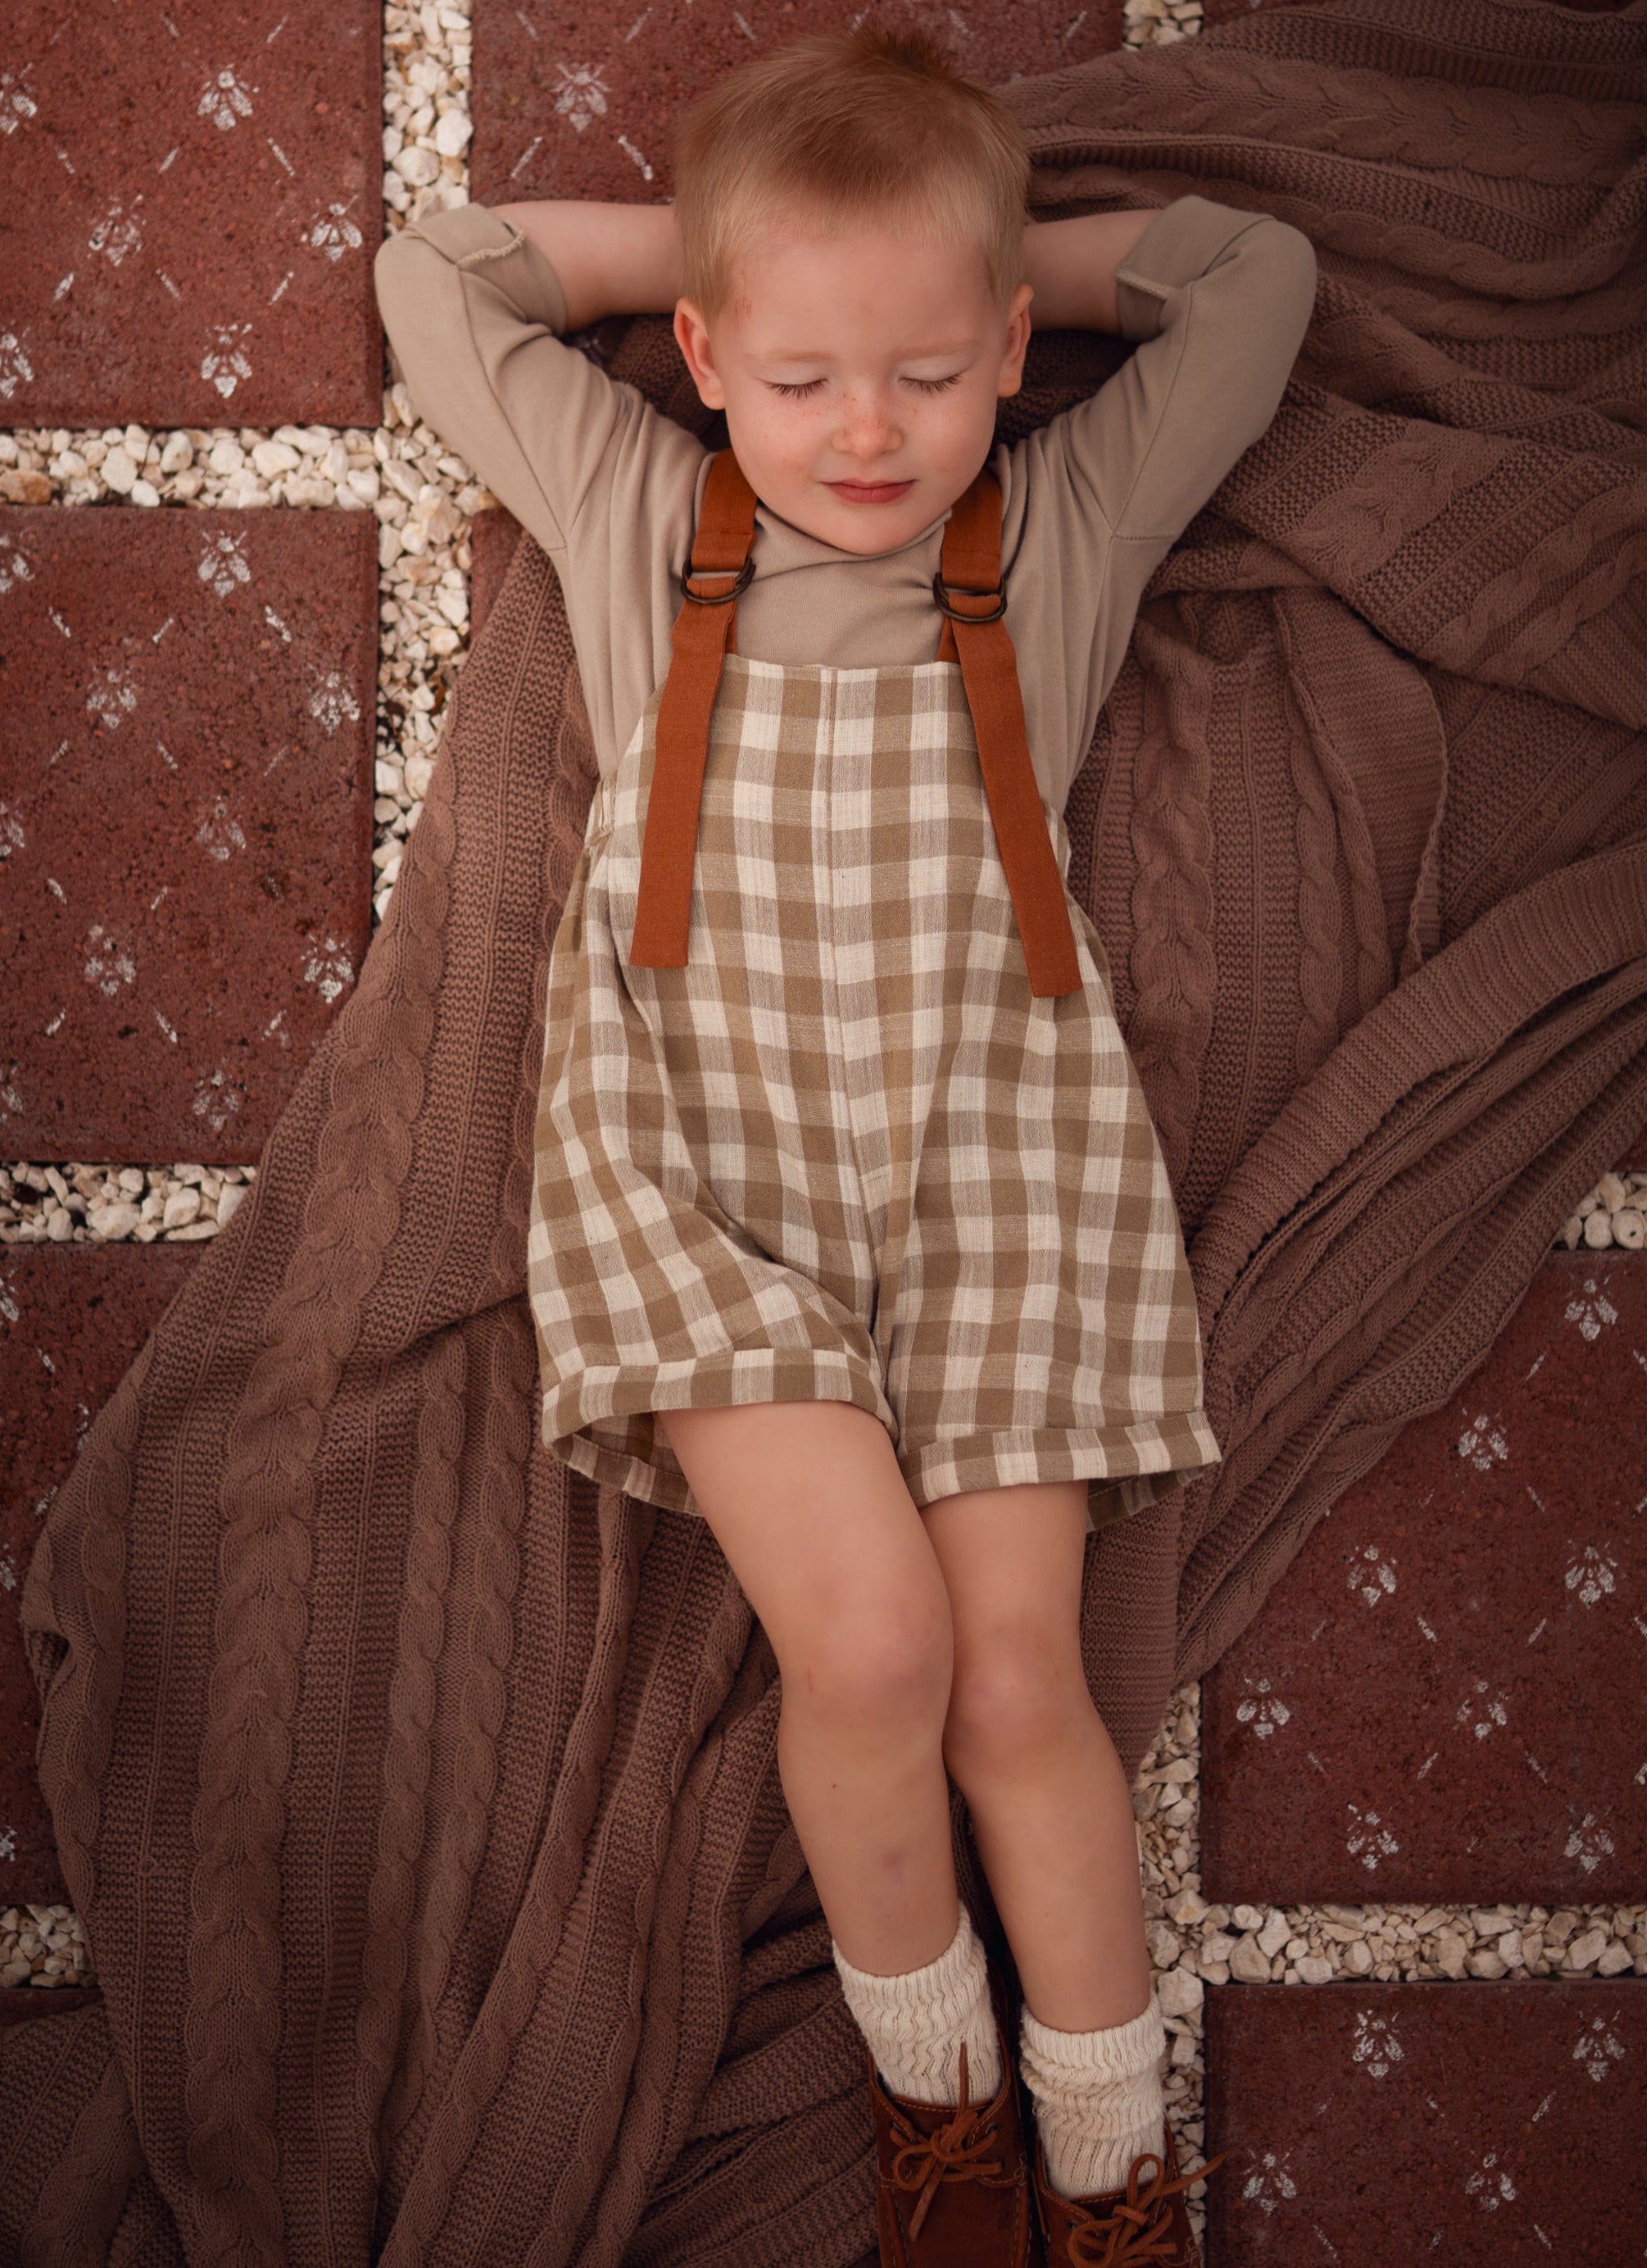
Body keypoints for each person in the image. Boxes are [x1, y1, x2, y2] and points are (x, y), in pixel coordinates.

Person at [373, 25, 1314, 2263]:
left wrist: (996, 265)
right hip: (703, 1182)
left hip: (1000, 1187)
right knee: (871, 1653)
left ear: (1007, 352)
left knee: (1019, 1689)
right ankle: (938, 2109)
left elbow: (1250, 275)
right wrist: (726, 246)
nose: (865, 432)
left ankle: (1110, 2171)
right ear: (696, 358)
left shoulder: (1049, 532)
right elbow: (441, 273)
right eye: (795, 375)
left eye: (923, 367)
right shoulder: (634, 508)